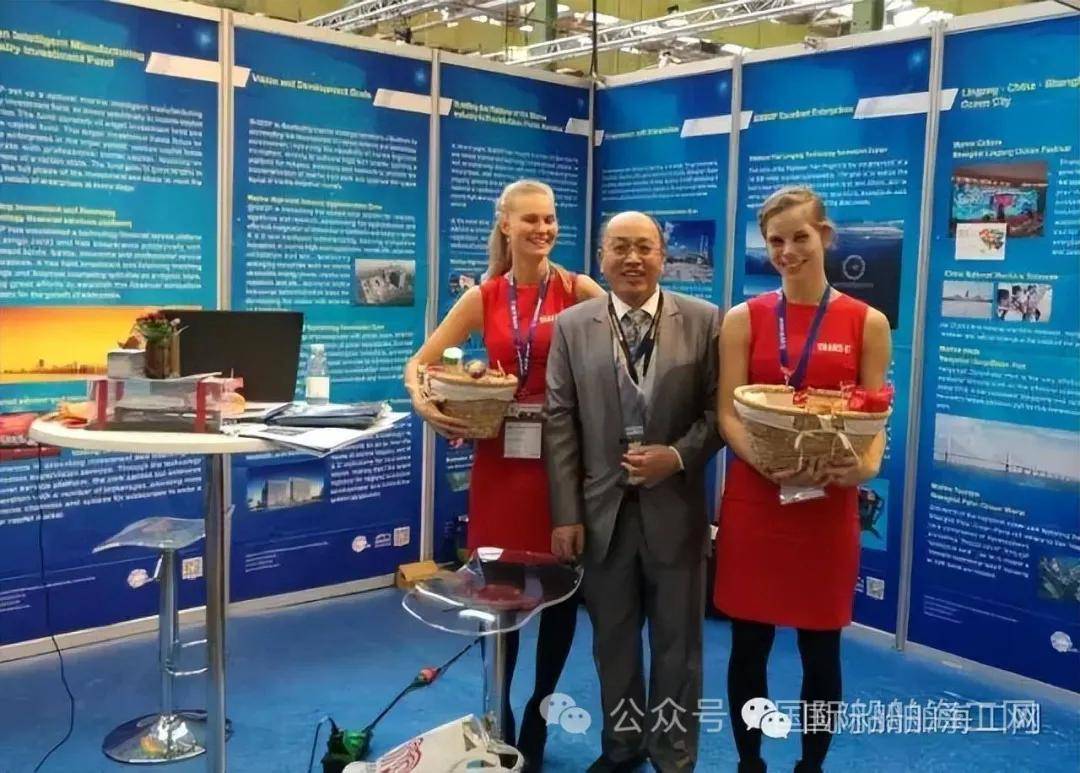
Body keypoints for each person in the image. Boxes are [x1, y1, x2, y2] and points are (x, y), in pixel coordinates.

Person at [404, 179, 604, 770]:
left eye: (550, 219)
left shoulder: (579, 289)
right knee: (500, 595)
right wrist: (425, 404)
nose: (542, 229)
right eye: (530, 220)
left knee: (560, 593)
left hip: (561, 462)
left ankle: (540, 709)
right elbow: (420, 363)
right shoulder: (483, 297)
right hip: (499, 463)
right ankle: (501, 711)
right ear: (506, 225)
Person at [712, 187, 891, 773]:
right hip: (757, 499)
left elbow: (874, 418)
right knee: (749, 644)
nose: (787, 251)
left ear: (826, 236)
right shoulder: (744, 319)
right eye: (776, 241)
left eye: (800, 237)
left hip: (827, 502)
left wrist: (863, 468)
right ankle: (750, 763)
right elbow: (727, 413)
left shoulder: (867, 322)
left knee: (821, 646)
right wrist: (762, 462)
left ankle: (811, 766)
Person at [544, 211, 722, 772]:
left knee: (678, 647)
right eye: (620, 247)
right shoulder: (572, 326)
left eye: (644, 247)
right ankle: (622, 748)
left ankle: (673, 756)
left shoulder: (705, 321)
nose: (632, 259)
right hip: (603, 515)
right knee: (613, 644)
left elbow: (719, 412)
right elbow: (559, 422)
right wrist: (566, 514)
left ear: (663, 257)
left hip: (676, 512)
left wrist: (677, 456)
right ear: (601, 257)